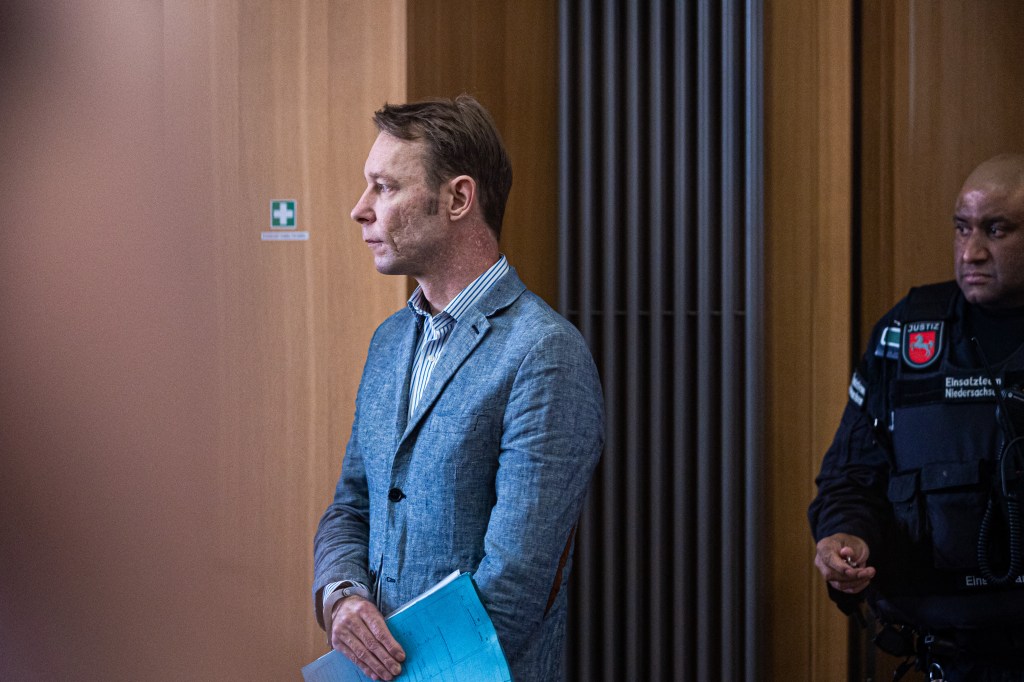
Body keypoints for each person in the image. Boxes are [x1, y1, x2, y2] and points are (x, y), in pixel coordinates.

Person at [312, 94, 604, 681]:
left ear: (458, 199)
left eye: (385, 187)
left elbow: (515, 586)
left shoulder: (544, 353)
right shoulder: (389, 341)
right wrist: (341, 598)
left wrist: (393, 668)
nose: (359, 209)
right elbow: (351, 506)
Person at [809, 153, 1024, 680]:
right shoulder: (907, 333)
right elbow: (851, 475)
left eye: (996, 230)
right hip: (943, 652)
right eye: (961, 229)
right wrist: (844, 537)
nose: (971, 252)